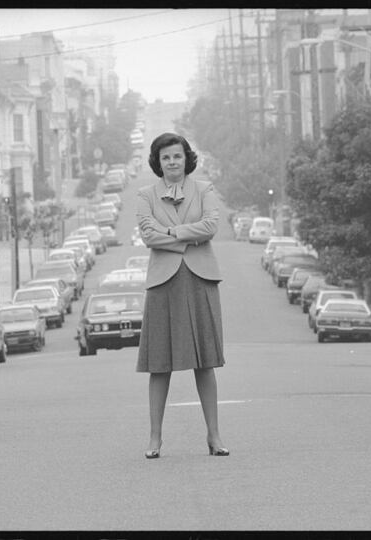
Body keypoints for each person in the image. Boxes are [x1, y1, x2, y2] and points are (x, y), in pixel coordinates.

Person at [135, 132, 228, 459]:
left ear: (186, 158)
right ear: (157, 162)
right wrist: (189, 236)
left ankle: (214, 435)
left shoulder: (204, 190)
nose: (172, 162)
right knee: (159, 364)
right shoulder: (146, 195)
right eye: (166, 157)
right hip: (163, 282)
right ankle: (155, 438)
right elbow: (148, 237)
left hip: (200, 279)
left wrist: (171, 232)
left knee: (206, 361)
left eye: (177, 156)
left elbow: (211, 227)